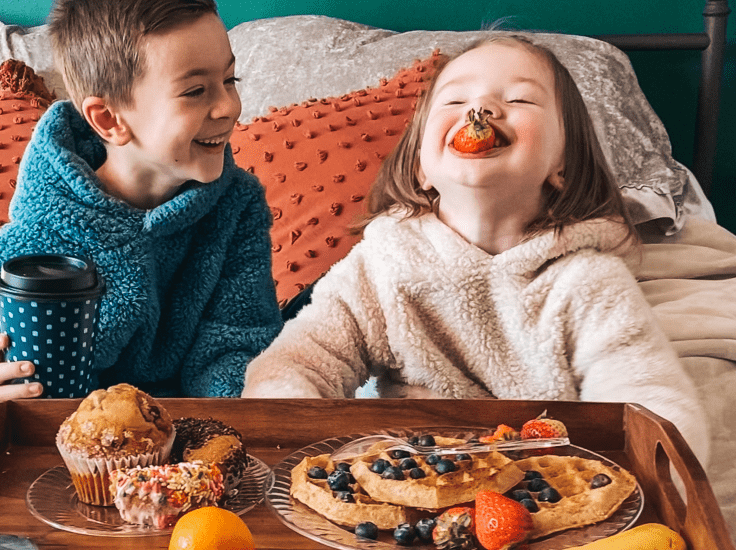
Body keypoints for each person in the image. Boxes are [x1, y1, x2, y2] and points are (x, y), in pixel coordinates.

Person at [242, 35, 709, 463]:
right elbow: (298, 363)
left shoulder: (588, 281)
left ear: (562, 164)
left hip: (542, 486)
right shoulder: (381, 265)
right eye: (456, 99)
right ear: (422, 167)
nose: (481, 107)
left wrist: (655, 468)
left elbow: (650, 401)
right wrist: (293, 446)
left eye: (520, 98)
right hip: (406, 483)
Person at [0, 0, 283, 415]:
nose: (229, 106)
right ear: (108, 120)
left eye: (231, 79)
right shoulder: (36, 246)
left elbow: (236, 340)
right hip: (69, 445)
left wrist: (246, 408)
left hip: (186, 437)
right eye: (195, 91)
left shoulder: (236, 206)